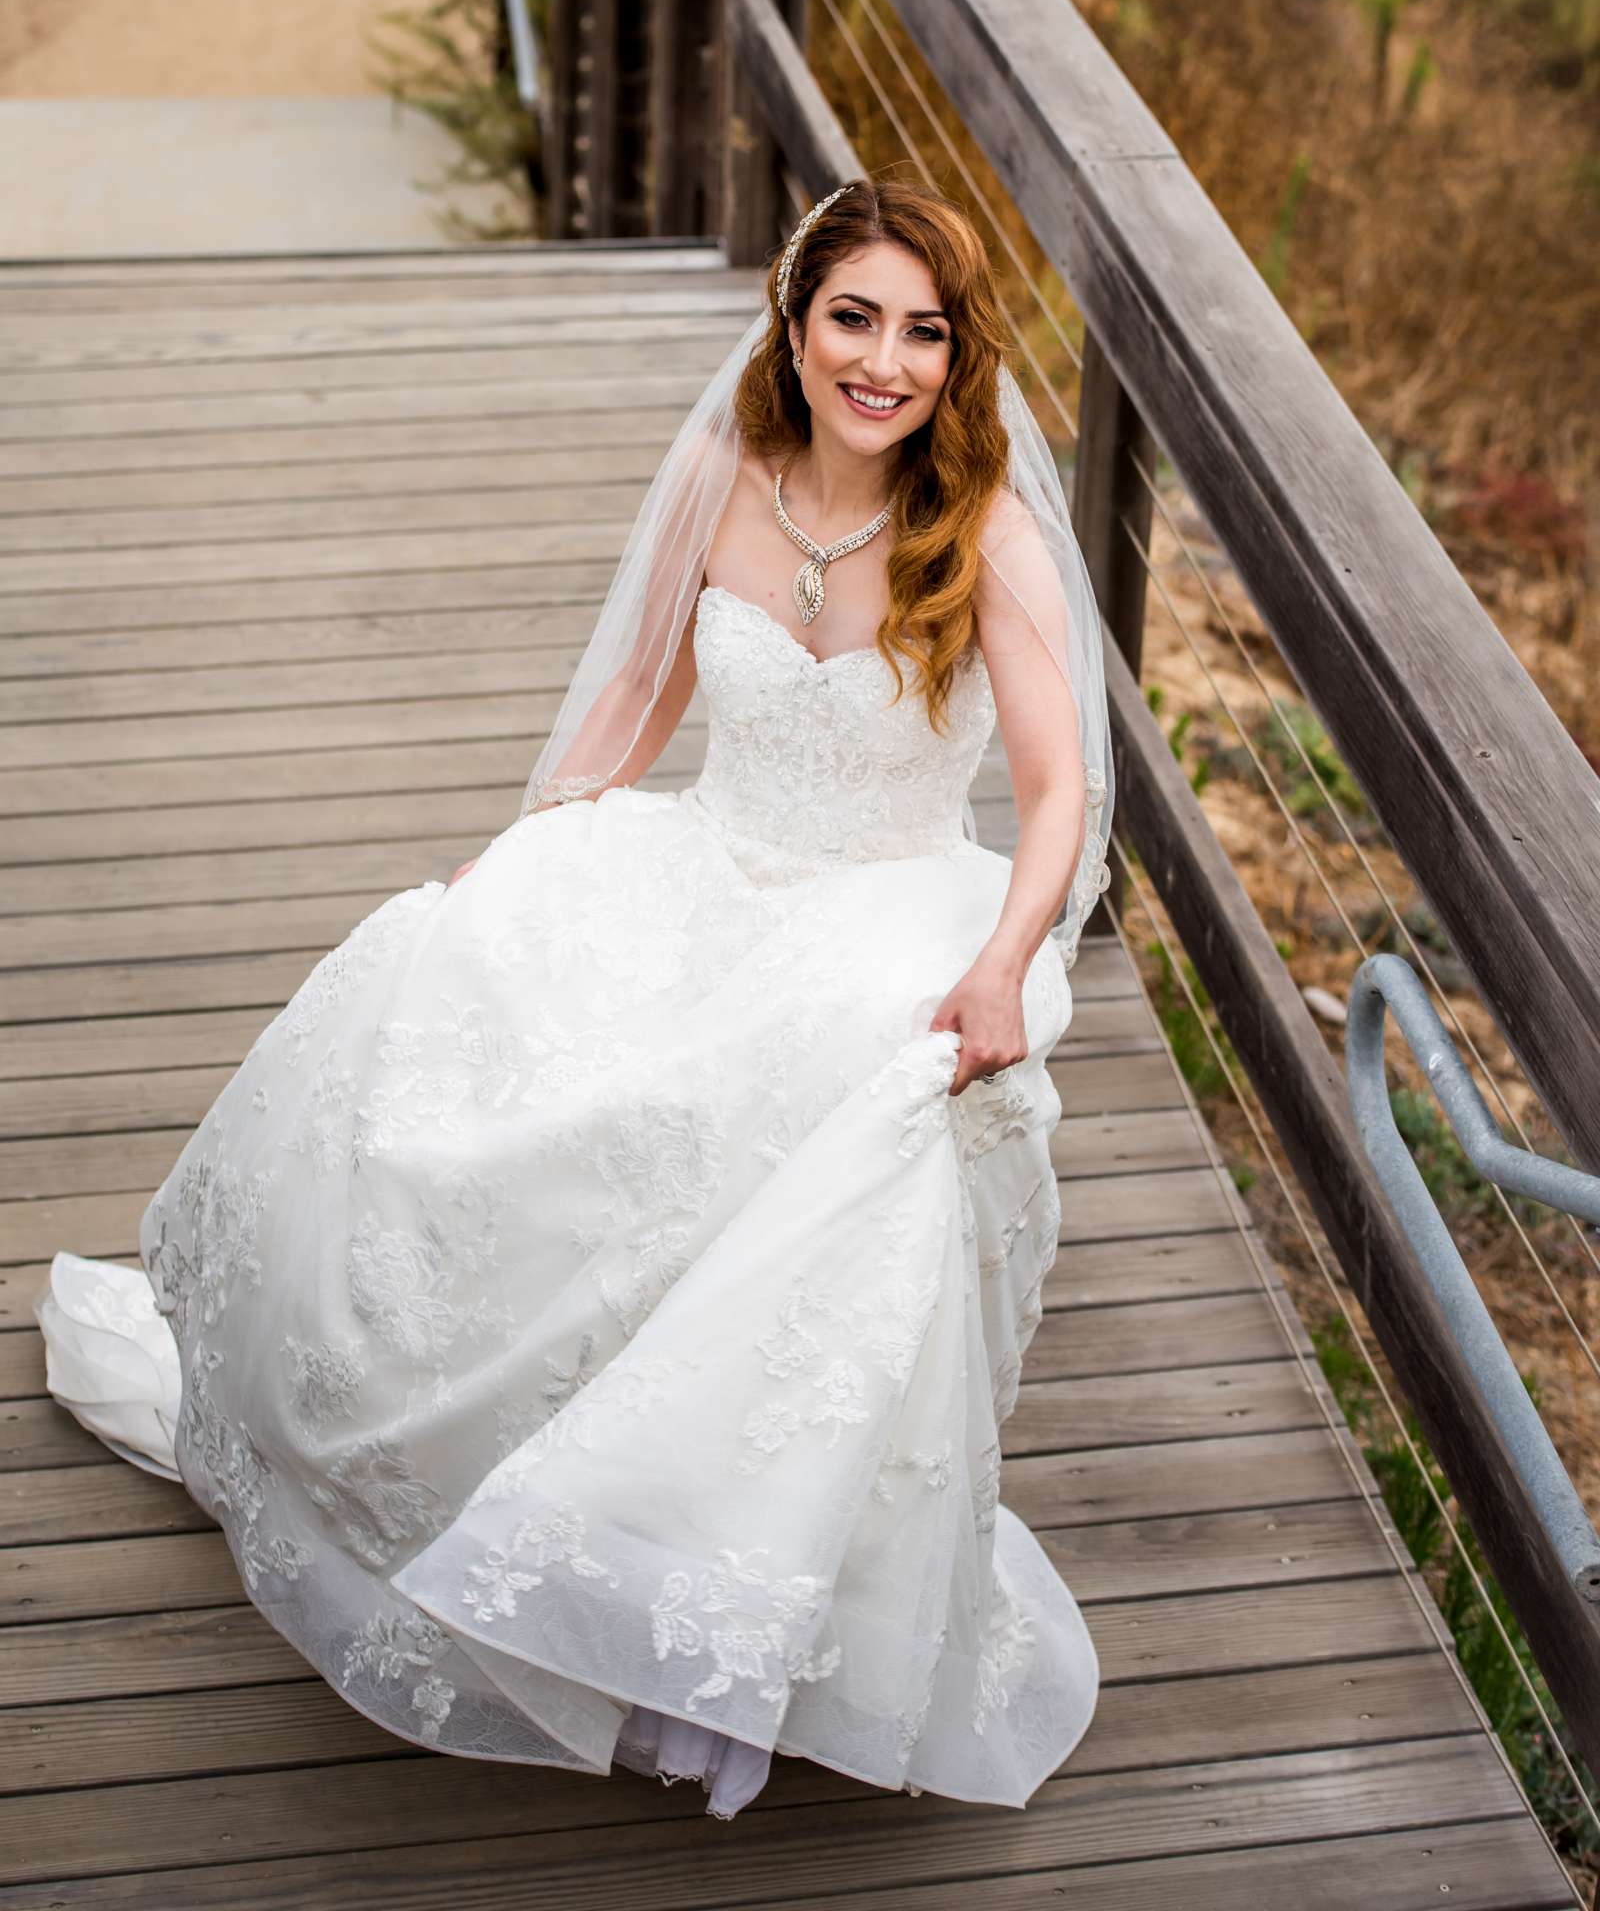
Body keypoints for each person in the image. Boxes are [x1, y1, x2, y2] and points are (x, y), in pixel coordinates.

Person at [35, 175, 1114, 1821]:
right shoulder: (724, 476)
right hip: (707, 866)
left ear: (958, 359)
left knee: (849, 1102)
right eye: (855, 318)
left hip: (889, 908)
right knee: (443, 986)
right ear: (795, 312)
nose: (884, 363)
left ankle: (731, 1592)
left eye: (925, 332)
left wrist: (996, 963)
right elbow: (631, 695)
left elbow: (1059, 801)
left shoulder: (990, 536)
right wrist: (520, 858)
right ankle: (483, 1483)